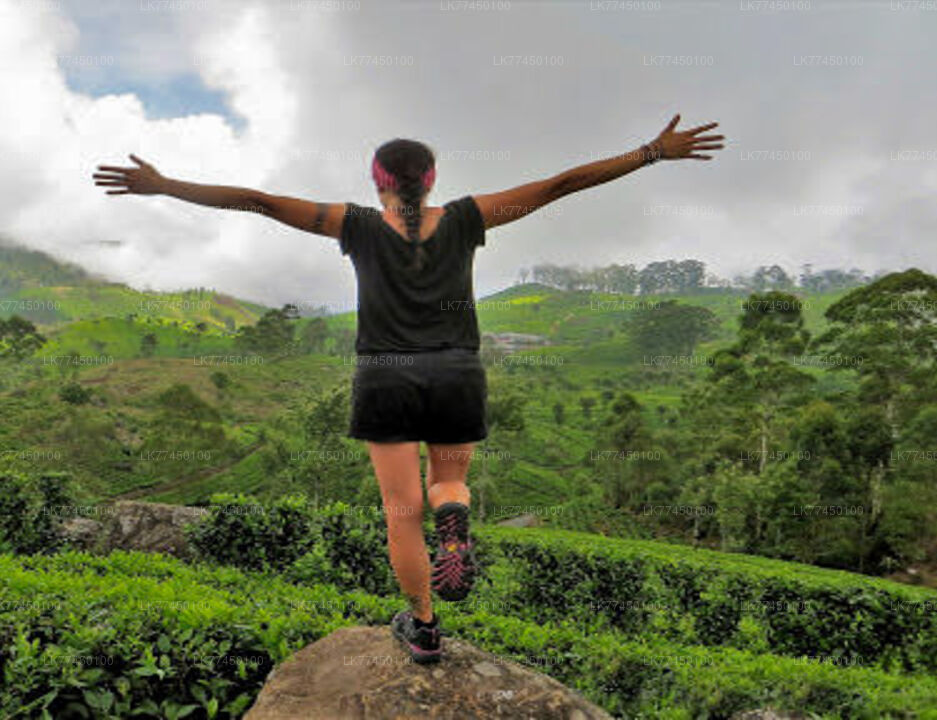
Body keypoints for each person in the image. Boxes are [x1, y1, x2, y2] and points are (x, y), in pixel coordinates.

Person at [92, 114, 725, 664]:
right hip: (456, 371)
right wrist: (648, 153)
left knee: (402, 514)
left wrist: (165, 184)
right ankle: (458, 513)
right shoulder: (470, 217)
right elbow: (560, 185)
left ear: (378, 179)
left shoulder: (355, 223)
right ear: (432, 179)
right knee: (447, 482)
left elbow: (255, 200)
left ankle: (423, 629)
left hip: (384, 375)